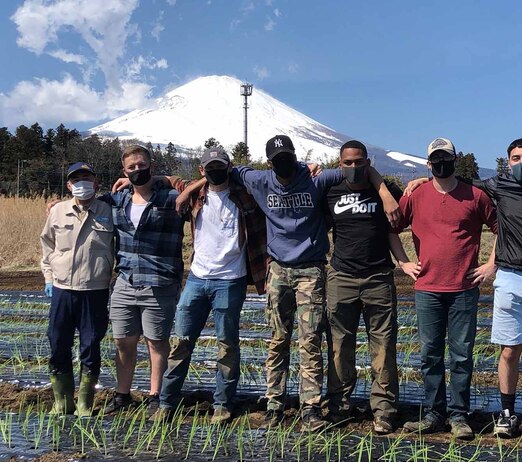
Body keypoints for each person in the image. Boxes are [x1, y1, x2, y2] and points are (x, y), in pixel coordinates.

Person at [180, 135, 398, 432]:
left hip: (311, 270)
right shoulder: (258, 180)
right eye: (279, 159)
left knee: (310, 342)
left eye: (289, 157)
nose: (285, 163)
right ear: (270, 163)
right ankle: (274, 404)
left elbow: (360, 169)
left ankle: (310, 407)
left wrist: (385, 193)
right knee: (277, 340)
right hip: (278, 271)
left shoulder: (316, 180)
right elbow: (219, 172)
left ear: (296, 156)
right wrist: (187, 190)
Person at [406, 138, 522, 440]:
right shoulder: (495, 185)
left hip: (521, 279)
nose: (521, 163)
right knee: (437, 353)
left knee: (472, 354)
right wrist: (402, 262)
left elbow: (496, 224)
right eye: (515, 158)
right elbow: (450, 182)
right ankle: (442, 413)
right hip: (449, 284)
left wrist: (492, 263)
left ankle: (470, 415)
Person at [149, 147, 267, 425]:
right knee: (181, 342)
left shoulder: (245, 196)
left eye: (220, 166)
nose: (215, 171)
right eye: (209, 168)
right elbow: (166, 178)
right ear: (201, 170)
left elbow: (267, 178)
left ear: (229, 167)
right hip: (197, 279)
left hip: (231, 280)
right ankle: (167, 402)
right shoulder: (195, 195)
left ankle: (223, 404)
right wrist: (127, 181)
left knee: (227, 345)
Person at [394, 138, 497, 441]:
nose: (441, 164)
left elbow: (501, 228)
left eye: (446, 159)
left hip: (464, 288)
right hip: (427, 287)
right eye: (435, 160)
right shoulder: (416, 195)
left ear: (455, 160)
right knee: (430, 354)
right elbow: (391, 228)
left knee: (462, 354)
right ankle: (433, 413)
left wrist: (491, 263)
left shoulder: (476, 196)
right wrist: (403, 263)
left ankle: (459, 415)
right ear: (428, 164)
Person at [323, 140, 411, 434]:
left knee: (384, 347)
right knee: (339, 346)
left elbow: (400, 218)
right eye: (348, 163)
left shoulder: (385, 192)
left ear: (368, 162)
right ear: (340, 164)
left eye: (359, 162)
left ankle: (384, 410)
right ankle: (339, 405)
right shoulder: (330, 192)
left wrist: (403, 262)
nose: (354, 168)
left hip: (378, 278)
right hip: (342, 277)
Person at [101, 144, 184, 413]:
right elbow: (86, 199)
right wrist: (60, 204)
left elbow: (201, 184)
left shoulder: (172, 198)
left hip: (159, 281)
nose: (137, 170)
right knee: (123, 341)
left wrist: (161, 180)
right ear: (123, 171)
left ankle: (155, 396)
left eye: (141, 165)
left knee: (156, 342)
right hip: (125, 281)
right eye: (131, 167)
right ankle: (122, 395)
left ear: (151, 165)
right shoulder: (118, 199)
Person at [40, 162, 114, 416]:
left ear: (96, 183)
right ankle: (62, 401)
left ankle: (84, 402)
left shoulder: (108, 210)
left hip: (94, 289)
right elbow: (47, 245)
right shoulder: (58, 211)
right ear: (69, 185)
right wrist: (49, 277)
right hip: (62, 288)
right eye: (76, 179)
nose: (82, 183)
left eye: (87, 178)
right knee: (58, 342)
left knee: (91, 344)